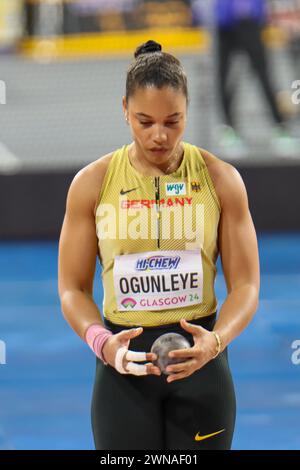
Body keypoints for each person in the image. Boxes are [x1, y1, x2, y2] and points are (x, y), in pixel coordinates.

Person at [58, 39, 260, 450]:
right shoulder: (92, 184)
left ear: (188, 111)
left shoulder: (220, 181)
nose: (159, 136)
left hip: (202, 363)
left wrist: (215, 341)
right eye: (144, 121)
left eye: (173, 121)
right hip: (123, 368)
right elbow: (72, 288)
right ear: (124, 111)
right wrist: (103, 344)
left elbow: (247, 286)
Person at [214, 0, 298, 157]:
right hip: (225, 21)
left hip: (250, 20)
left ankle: (280, 127)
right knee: (225, 78)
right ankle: (228, 129)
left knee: (263, 75)